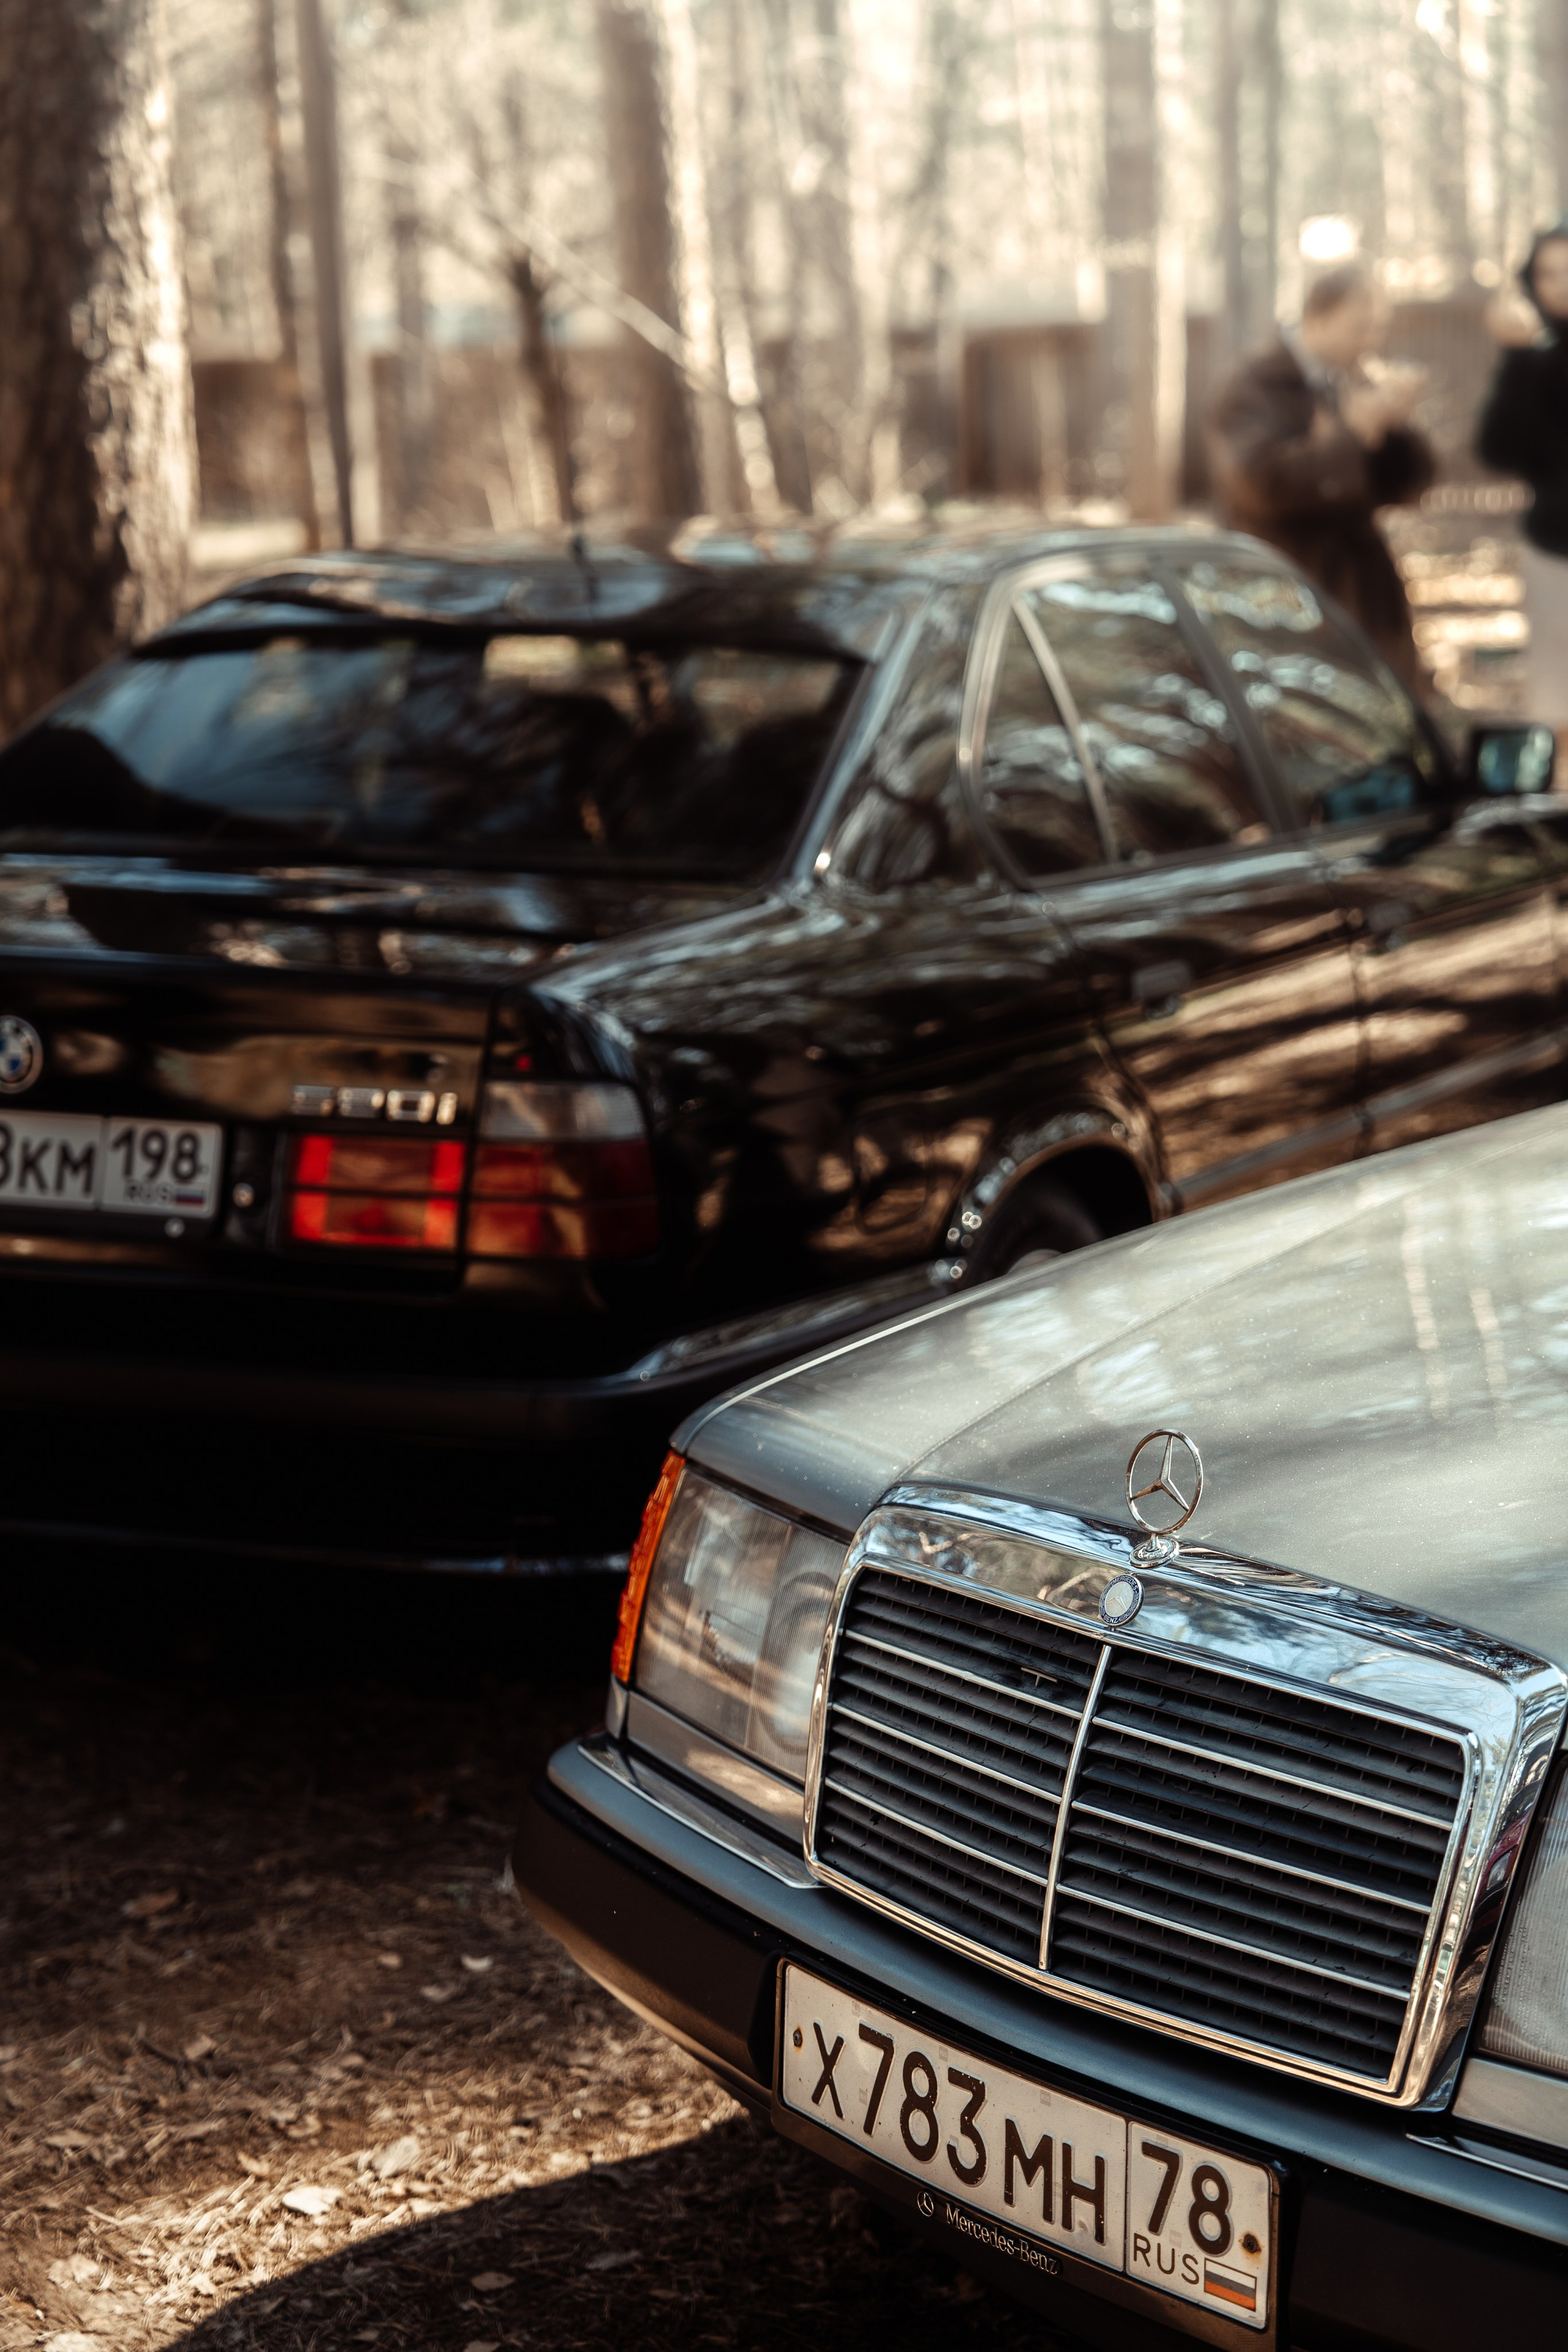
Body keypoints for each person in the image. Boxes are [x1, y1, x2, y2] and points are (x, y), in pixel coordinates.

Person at [1208, 266, 1434, 689]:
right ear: (1317, 319)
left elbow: (1404, 487)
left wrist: (1396, 428)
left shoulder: (1354, 379)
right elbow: (1258, 486)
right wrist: (1353, 435)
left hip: (1364, 594)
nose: (1371, 342)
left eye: (1378, 329)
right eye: (1359, 329)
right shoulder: (1252, 385)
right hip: (1285, 590)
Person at [1477, 224, 1568, 775]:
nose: (1560, 285)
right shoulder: (1531, 359)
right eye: (1548, 274)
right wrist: (1516, 358)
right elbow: (1498, 449)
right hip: (1554, 554)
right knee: (1556, 706)